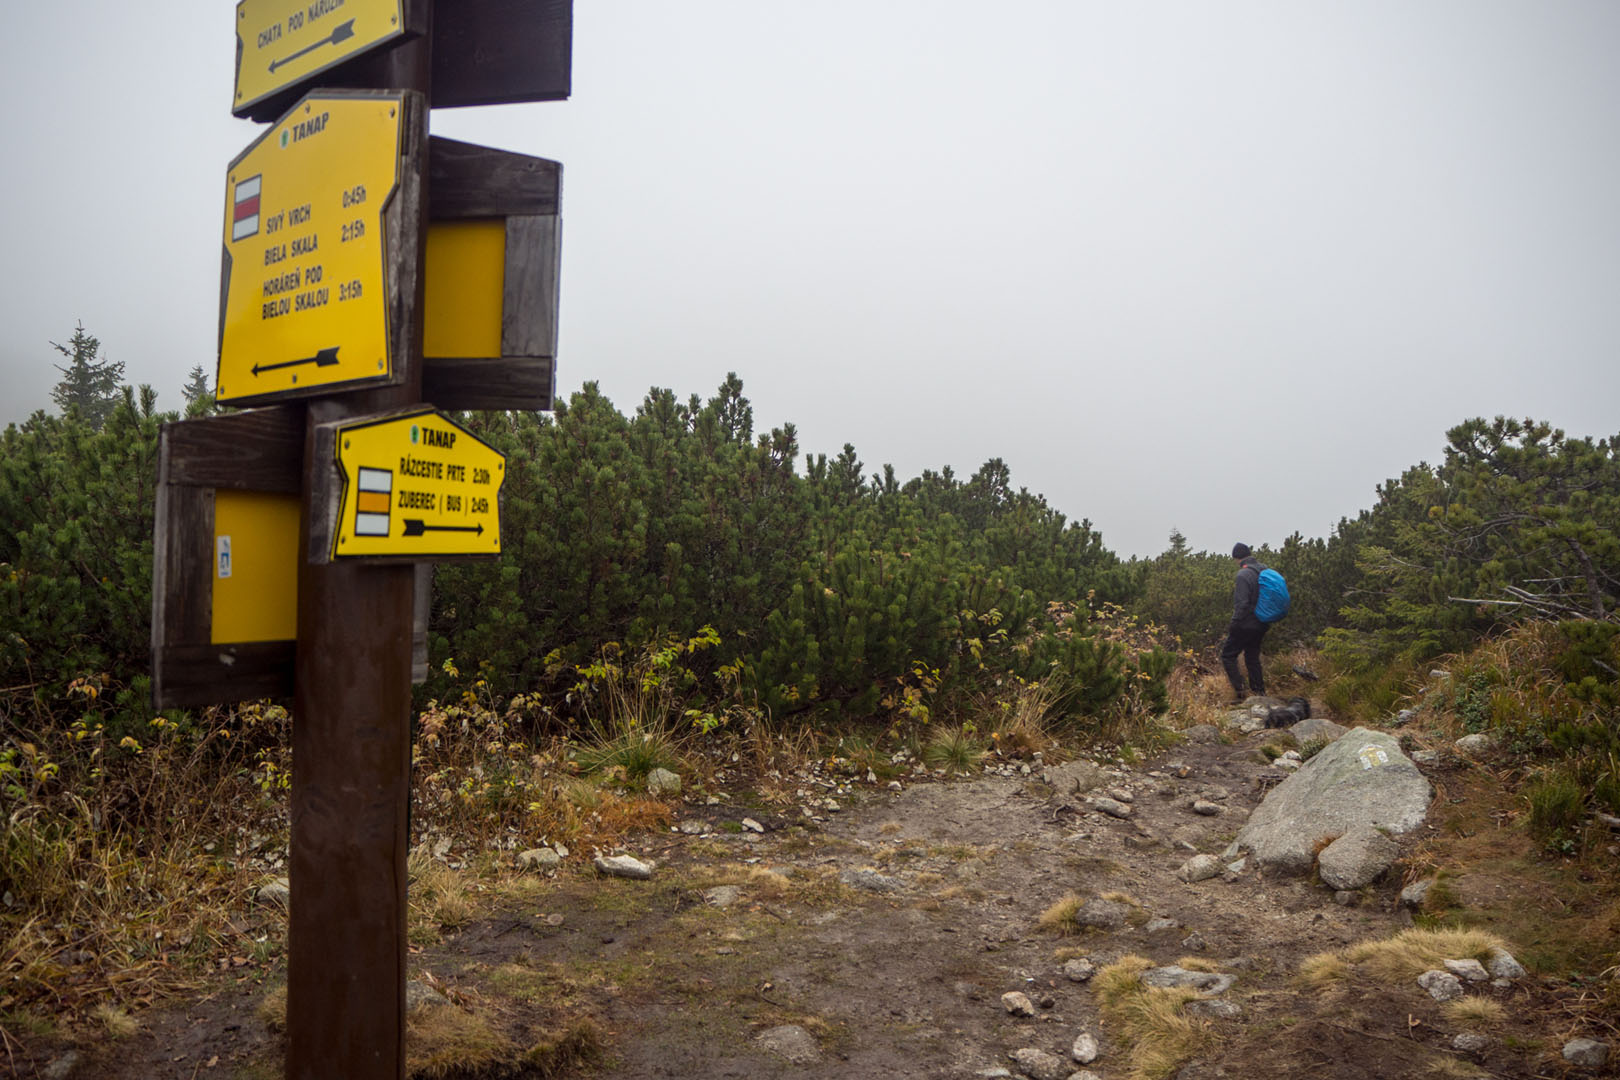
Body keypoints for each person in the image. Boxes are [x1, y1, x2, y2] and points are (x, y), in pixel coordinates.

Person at [1220, 543, 1269, 702]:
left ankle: (1241, 693)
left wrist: (1234, 623)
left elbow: (1242, 604)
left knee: (1228, 655)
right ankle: (1259, 693)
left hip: (1246, 623)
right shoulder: (1263, 570)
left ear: (1237, 558)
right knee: (1252, 656)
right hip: (1262, 622)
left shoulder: (1243, 574)